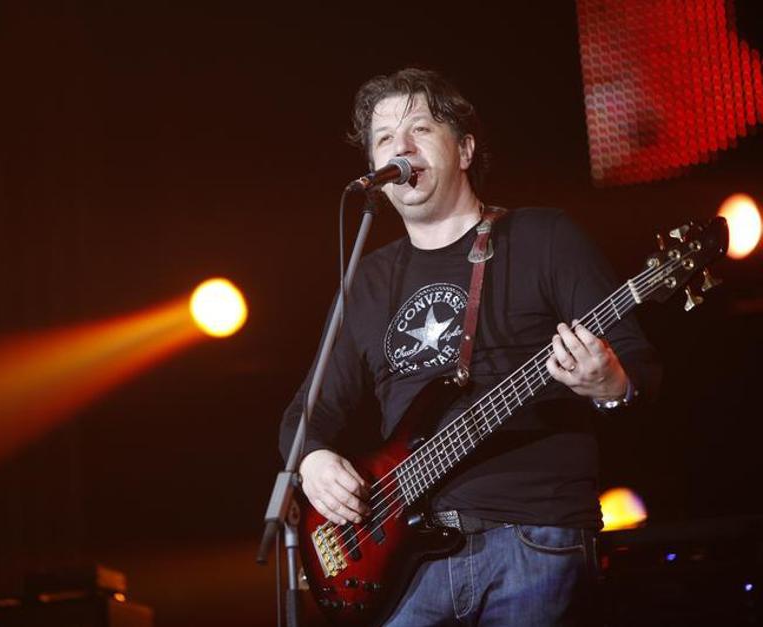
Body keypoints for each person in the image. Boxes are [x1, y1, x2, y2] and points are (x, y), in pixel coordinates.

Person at [279, 68, 661, 626]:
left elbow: (639, 365)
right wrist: (313, 460)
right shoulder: (367, 281)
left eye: (419, 129)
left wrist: (609, 383)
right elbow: (305, 414)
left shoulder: (543, 238)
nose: (401, 148)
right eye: (384, 138)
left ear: (464, 149)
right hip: (405, 562)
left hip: (532, 540)